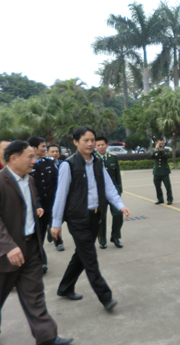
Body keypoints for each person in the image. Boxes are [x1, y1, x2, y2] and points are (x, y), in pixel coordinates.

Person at [0, 140, 73, 345]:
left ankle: (47, 338)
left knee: (34, 296)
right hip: (6, 254)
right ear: (13, 159)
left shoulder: (29, 180)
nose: (35, 160)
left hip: (30, 249)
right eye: (30, 157)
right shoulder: (1, 181)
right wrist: (7, 246)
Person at [51, 126, 131, 311]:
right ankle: (106, 297)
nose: (90, 143)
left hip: (96, 216)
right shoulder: (68, 165)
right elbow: (60, 195)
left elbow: (109, 187)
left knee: (81, 254)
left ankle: (64, 287)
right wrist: (56, 224)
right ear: (75, 142)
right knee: (90, 257)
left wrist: (120, 206)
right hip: (77, 218)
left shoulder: (97, 162)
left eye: (92, 140)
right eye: (85, 140)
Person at [28, 136, 58, 274]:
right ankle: (42, 261)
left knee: (46, 231)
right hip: (36, 207)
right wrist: (37, 204)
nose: (46, 149)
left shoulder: (49, 162)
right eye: (43, 147)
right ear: (34, 148)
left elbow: (56, 182)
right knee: (38, 234)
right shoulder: (28, 164)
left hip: (50, 205)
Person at [95, 136, 124, 249]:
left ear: (107, 145)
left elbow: (117, 175)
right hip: (99, 193)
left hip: (113, 192)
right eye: (98, 145)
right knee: (101, 217)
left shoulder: (113, 158)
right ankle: (102, 239)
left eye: (103, 144)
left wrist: (119, 190)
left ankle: (115, 237)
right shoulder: (93, 159)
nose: (101, 147)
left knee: (118, 214)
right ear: (95, 147)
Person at [45, 144, 65, 251]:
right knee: (53, 218)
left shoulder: (63, 164)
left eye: (57, 151)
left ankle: (50, 231)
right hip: (50, 197)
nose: (55, 154)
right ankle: (58, 242)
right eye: (52, 151)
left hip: (61, 196)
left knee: (60, 219)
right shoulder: (45, 165)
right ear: (47, 153)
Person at [151, 139, 173, 205]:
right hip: (156, 172)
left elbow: (168, 156)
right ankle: (160, 199)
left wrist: (162, 150)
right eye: (160, 143)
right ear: (157, 143)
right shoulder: (154, 150)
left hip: (164, 171)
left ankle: (169, 199)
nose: (161, 144)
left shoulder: (166, 150)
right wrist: (156, 149)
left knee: (167, 186)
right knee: (157, 186)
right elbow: (151, 156)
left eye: (162, 143)